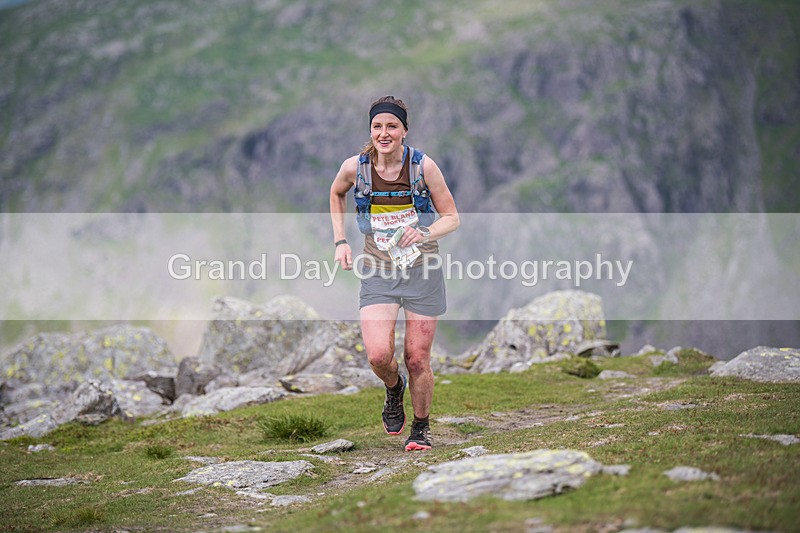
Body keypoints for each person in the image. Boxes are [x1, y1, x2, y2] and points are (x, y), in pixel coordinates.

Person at [329, 96, 459, 451]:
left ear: (404, 130)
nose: (384, 133)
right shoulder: (355, 168)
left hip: (423, 269)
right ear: (370, 131)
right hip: (378, 269)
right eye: (377, 126)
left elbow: (452, 217)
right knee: (377, 355)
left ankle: (420, 427)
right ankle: (392, 387)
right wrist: (341, 240)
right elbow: (337, 192)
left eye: (391, 126)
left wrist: (426, 232)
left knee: (417, 357)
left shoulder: (423, 167)